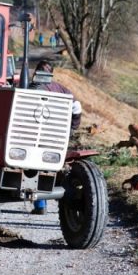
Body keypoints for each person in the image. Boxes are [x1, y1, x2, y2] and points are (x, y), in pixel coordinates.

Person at [29, 60, 82, 215]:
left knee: (36, 167)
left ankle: (40, 205)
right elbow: (77, 106)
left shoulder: (30, 88)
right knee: (51, 166)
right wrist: (73, 126)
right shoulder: (62, 89)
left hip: (36, 135)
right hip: (57, 136)